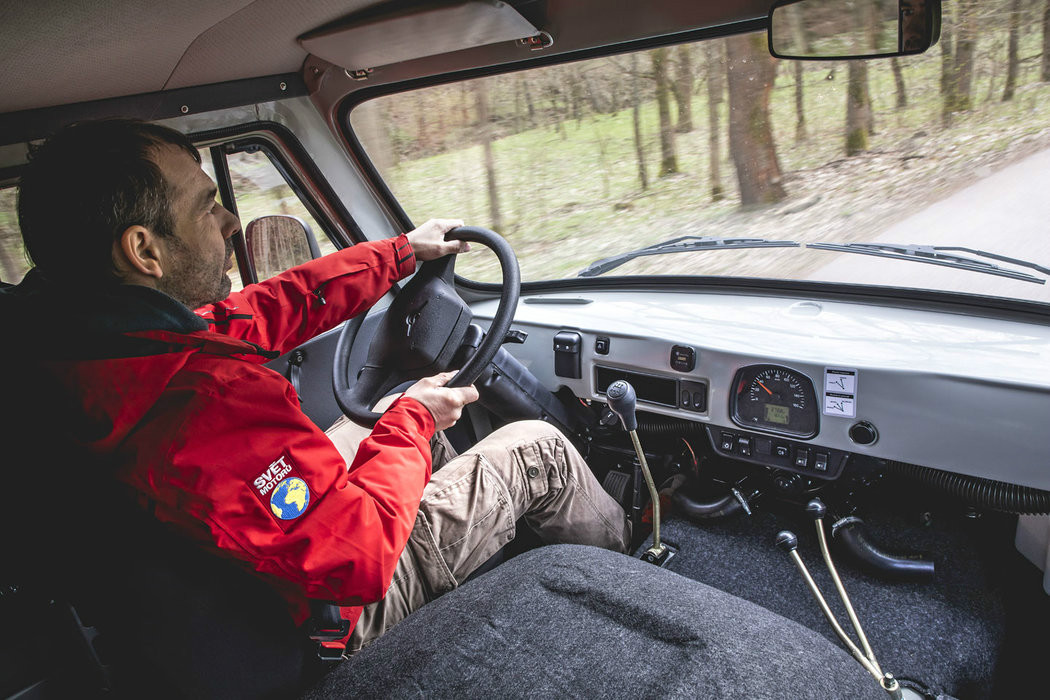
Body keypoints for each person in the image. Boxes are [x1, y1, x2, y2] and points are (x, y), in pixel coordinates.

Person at [2, 119, 630, 657]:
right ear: (145, 251)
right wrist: (412, 419)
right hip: (330, 615)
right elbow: (356, 554)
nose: (229, 222)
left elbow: (264, 311)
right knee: (537, 450)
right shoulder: (199, 399)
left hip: (238, 588)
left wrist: (399, 255)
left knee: (388, 412)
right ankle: (640, 575)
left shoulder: (91, 347)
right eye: (205, 206)